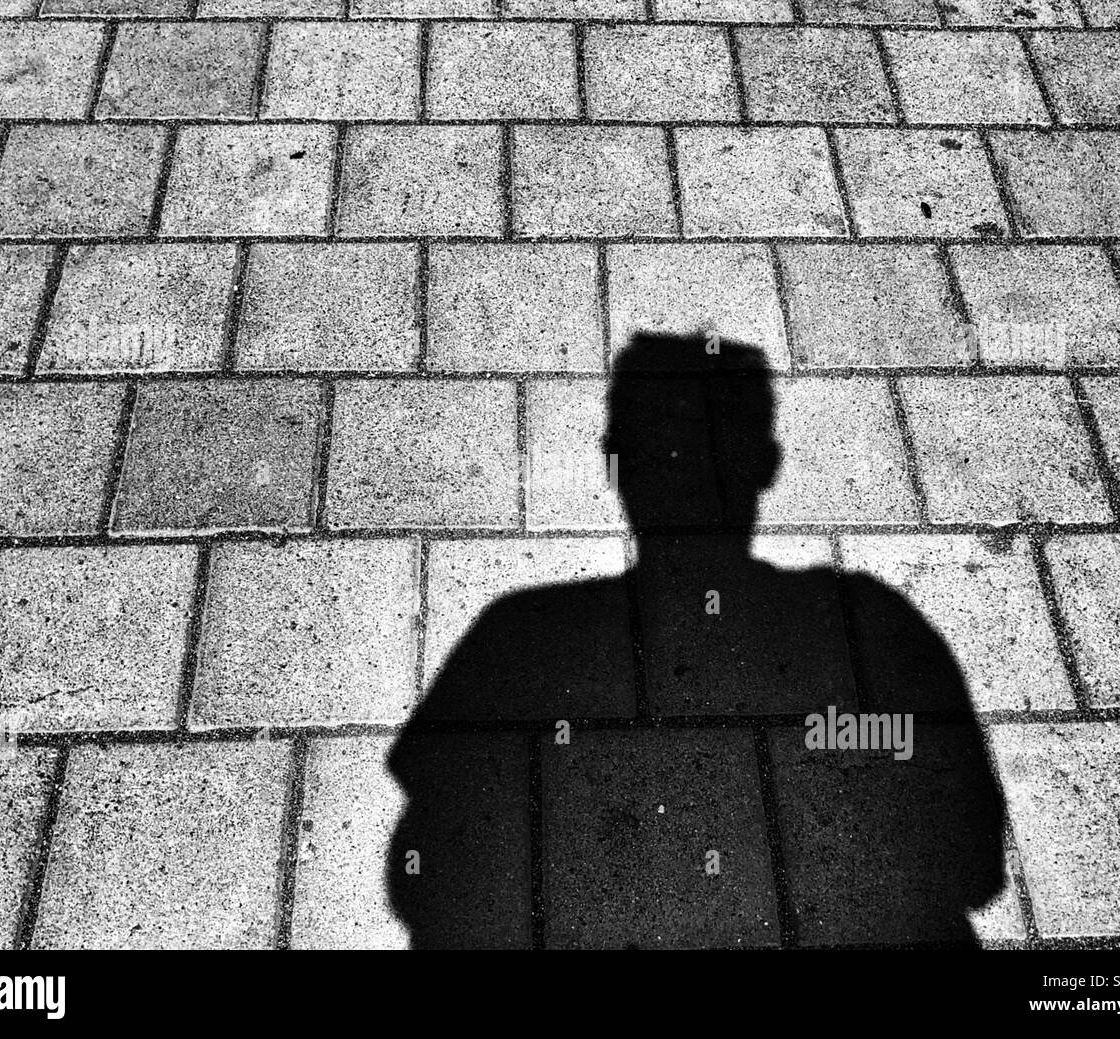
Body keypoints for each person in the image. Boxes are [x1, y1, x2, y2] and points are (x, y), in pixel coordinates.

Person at [387, 331, 1006, 949]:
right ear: (766, 463)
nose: (685, 469)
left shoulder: (520, 638)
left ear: (614, 464)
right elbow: (972, 866)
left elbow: (427, 869)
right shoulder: (871, 626)